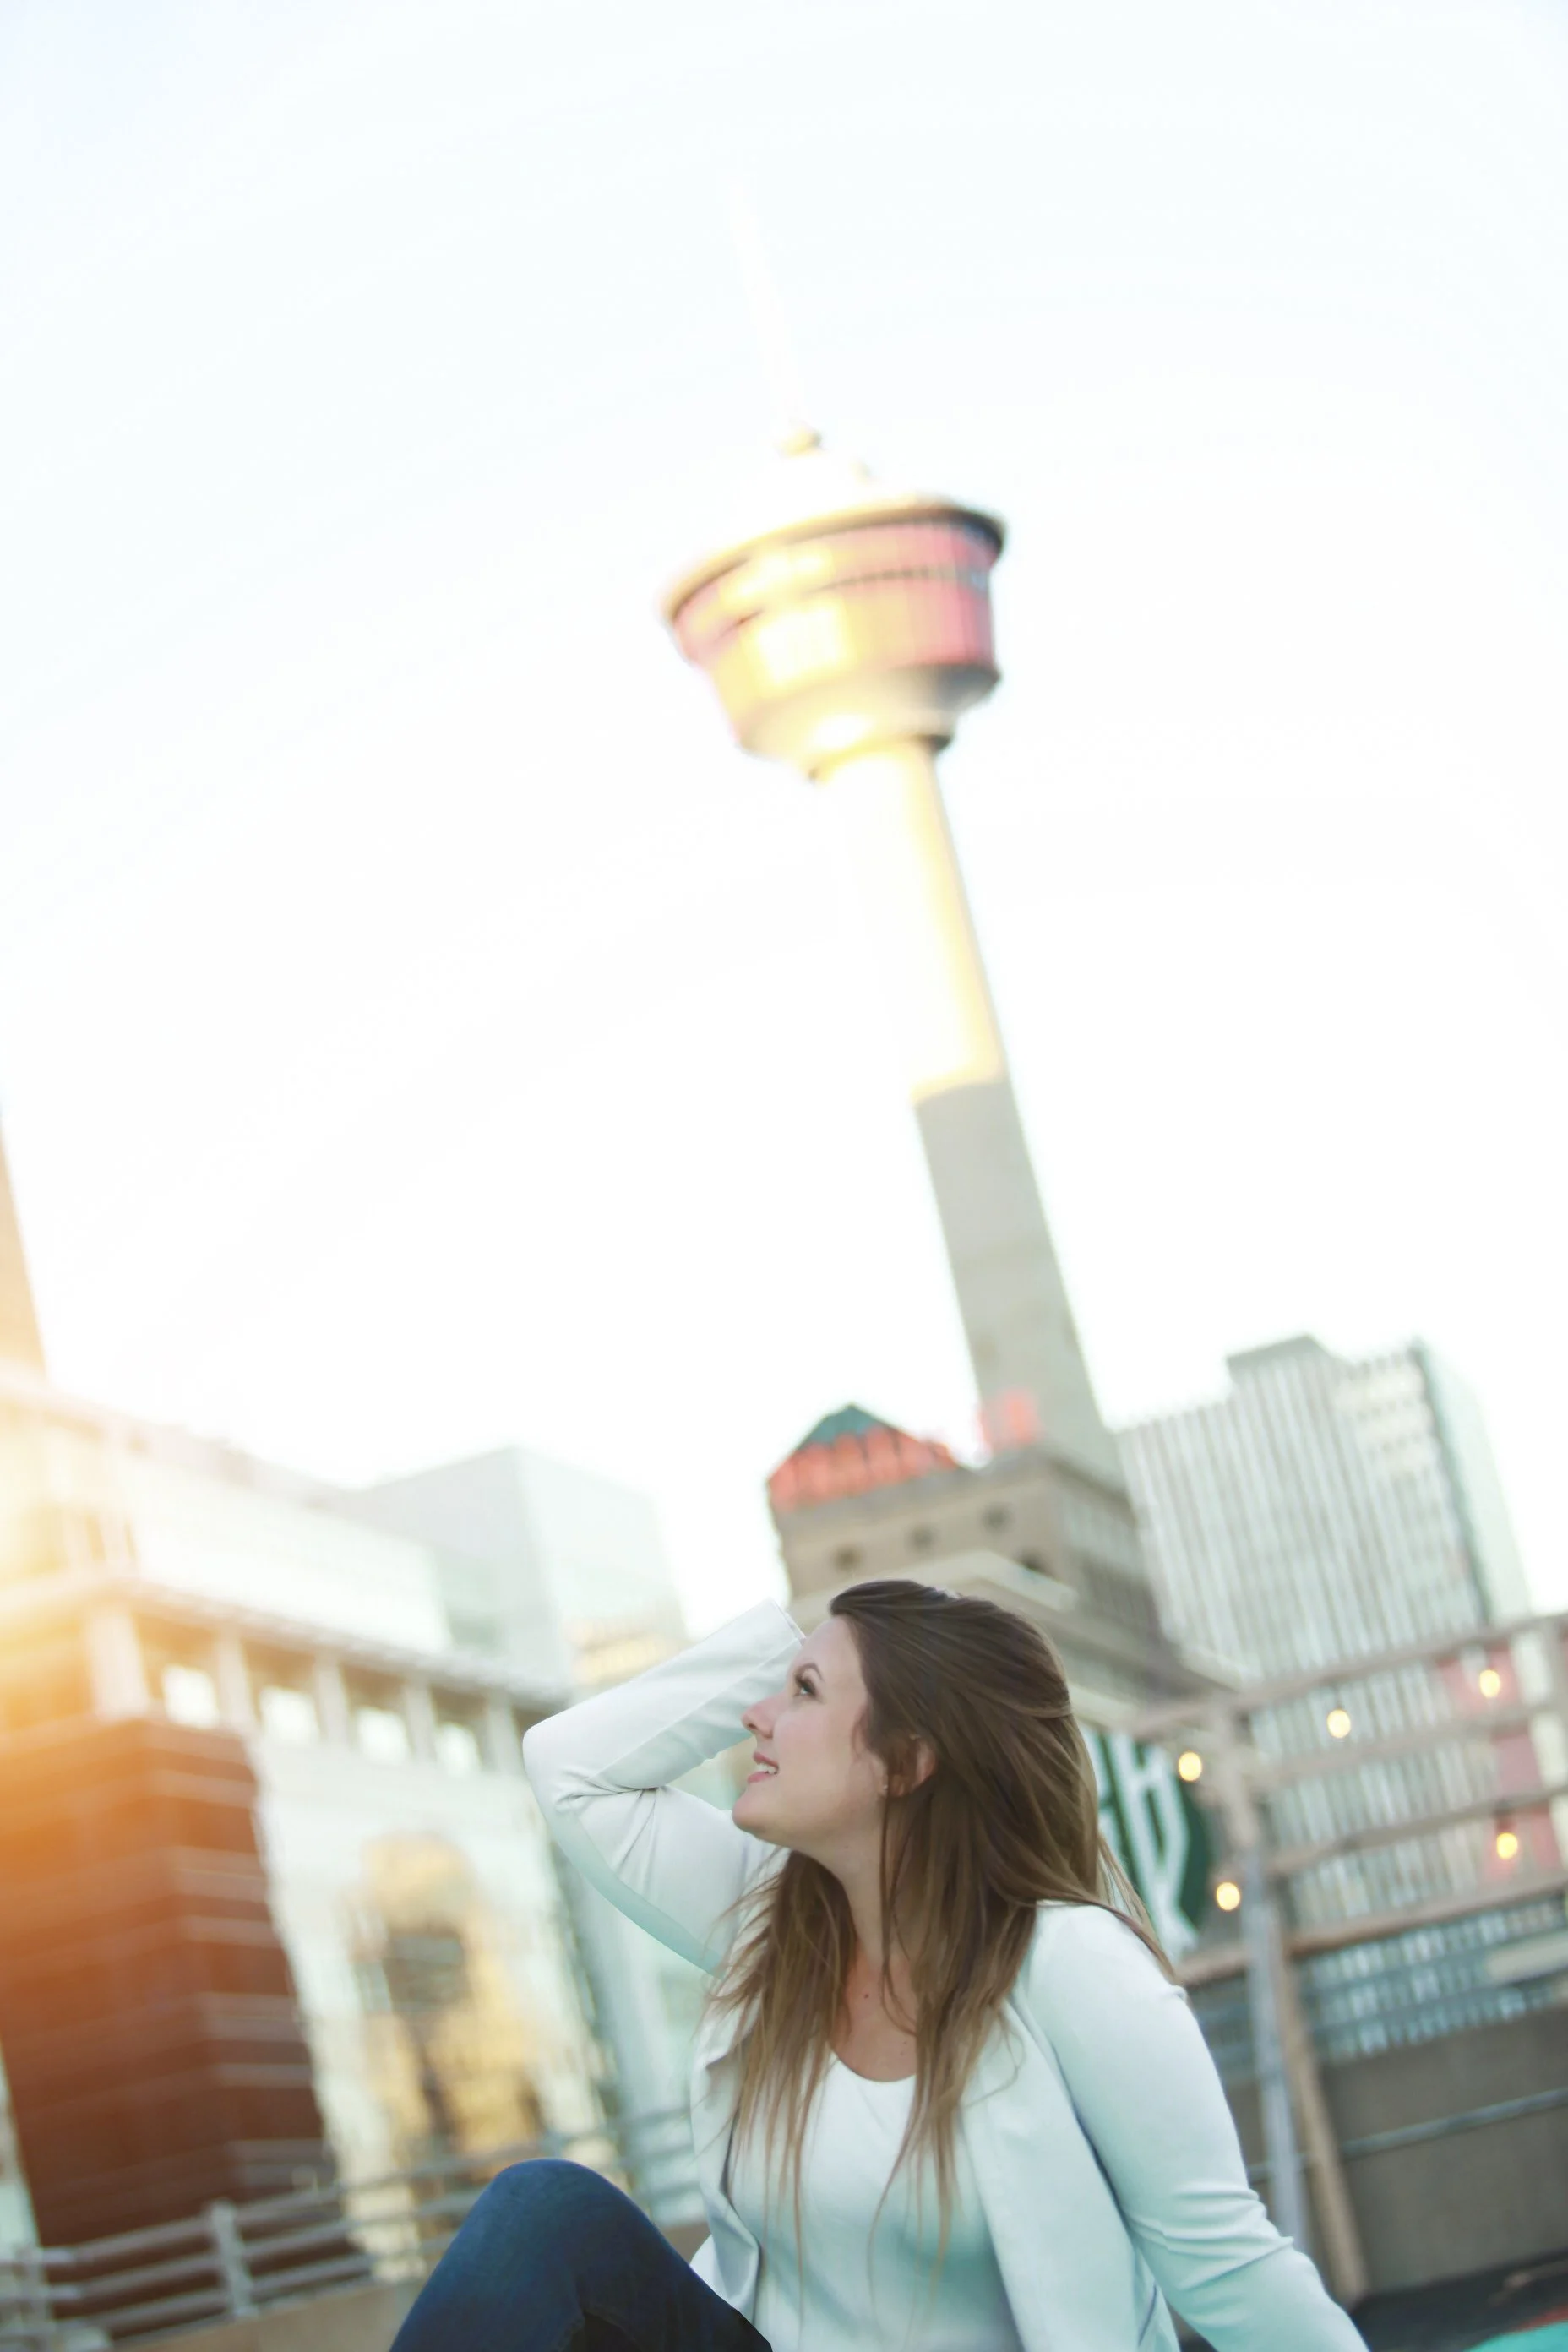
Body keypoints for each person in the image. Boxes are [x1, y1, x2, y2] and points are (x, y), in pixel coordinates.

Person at [390, 1579, 1367, 2350]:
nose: (756, 1718)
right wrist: (802, 1644)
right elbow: (569, 1767)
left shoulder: (1068, 1965)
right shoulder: (770, 1928)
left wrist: (849, 1645)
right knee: (543, 2212)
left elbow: (1229, 2267)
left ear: (905, 1763)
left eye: (802, 1695)